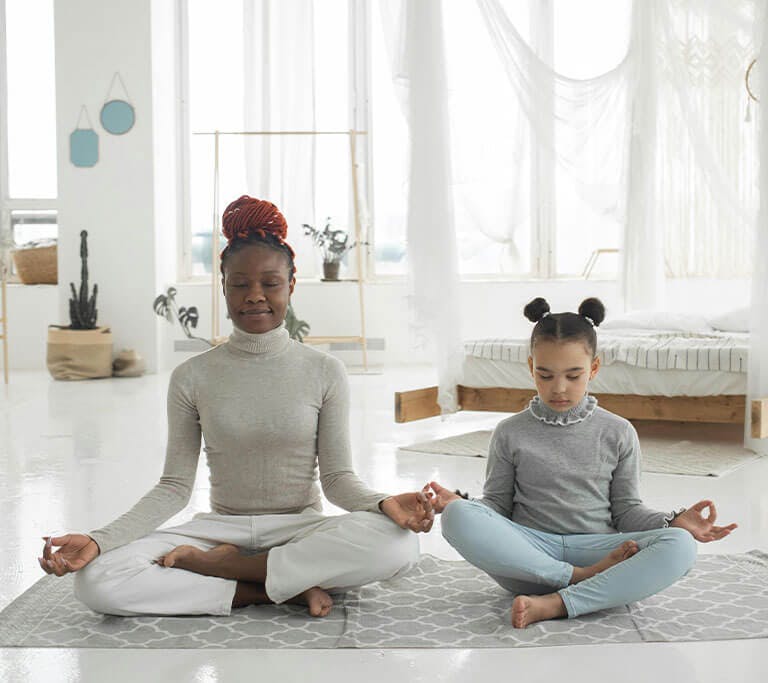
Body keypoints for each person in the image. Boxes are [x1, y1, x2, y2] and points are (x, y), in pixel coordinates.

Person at [38, 195, 433, 618]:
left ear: (291, 285)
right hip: (218, 529)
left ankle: (229, 571)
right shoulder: (193, 376)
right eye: (240, 284)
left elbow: (337, 479)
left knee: (399, 543)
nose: (255, 296)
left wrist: (381, 504)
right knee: (97, 581)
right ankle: (268, 589)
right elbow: (174, 486)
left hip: (299, 528)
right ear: (223, 286)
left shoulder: (324, 370)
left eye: (271, 283)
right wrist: (99, 540)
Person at [427, 297, 737, 629]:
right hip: (531, 560)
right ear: (531, 367)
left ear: (594, 368)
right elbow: (498, 506)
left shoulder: (618, 432)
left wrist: (673, 522)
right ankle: (581, 581)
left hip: (600, 553)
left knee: (681, 546)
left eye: (573, 376)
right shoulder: (509, 432)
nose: (559, 388)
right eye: (545, 375)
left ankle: (557, 604)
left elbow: (626, 511)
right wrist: (462, 505)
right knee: (458, 516)